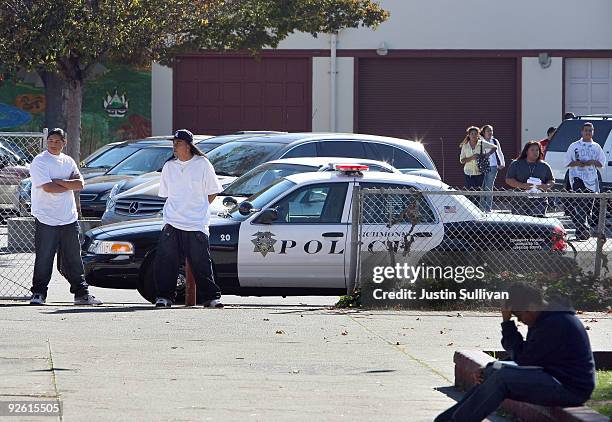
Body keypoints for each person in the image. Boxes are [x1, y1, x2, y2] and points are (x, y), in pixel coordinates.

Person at [435, 283, 595, 422]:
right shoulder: (546, 318)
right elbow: (527, 355)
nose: (519, 320)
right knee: (492, 370)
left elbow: (523, 358)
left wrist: (507, 323)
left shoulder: (556, 323)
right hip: (552, 377)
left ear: (531, 306)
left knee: (501, 378)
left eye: (518, 315)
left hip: (570, 388)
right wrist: (493, 366)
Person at [29, 128, 102, 305]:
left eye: (57, 141)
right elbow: (47, 187)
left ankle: (81, 294)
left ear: (64, 142)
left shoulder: (68, 161)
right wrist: (67, 184)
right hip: (46, 217)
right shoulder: (40, 161)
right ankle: (39, 293)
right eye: (50, 141)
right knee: (44, 257)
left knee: (74, 258)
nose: (53, 144)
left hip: (68, 218)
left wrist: (59, 181)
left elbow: (80, 184)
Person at [154, 129, 224, 308]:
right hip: (172, 220)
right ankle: (164, 297)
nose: (174, 147)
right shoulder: (169, 166)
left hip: (196, 222)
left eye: (177, 143)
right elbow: (166, 194)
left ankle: (211, 298)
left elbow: (213, 191)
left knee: (201, 262)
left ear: (188, 146)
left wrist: (199, 207)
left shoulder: (203, 164)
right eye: (173, 143)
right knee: (166, 261)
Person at [564, 122, 605, 240]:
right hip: (577, 177)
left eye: (590, 130)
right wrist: (577, 163)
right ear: (582, 132)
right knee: (580, 202)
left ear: (593, 132)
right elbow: (567, 162)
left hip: (591, 179)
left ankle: (582, 228)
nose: (588, 132)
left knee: (588, 206)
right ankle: (582, 230)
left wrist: (592, 161)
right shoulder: (574, 145)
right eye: (586, 130)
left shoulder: (596, 147)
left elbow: (601, 163)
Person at [505, 141, 555, 217]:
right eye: (532, 150)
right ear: (526, 152)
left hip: (539, 200)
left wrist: (545, 186)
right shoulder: (516, 164)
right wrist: (522, 185)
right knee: (520, 225)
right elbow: (508, 180)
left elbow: (551, 180)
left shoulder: (544, 165)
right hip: (520, 200)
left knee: (538, 223)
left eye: (537, 150)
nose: (535, 152)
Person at [459, 126, 497, 205]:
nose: (473, 135)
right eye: (472, 133)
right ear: (469, 135)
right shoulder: (465, 146)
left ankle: (477, 210)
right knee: (470, 193)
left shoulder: (482, 143)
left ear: (478, 135)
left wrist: (487, 154)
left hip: (479, 172)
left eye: (475, 134)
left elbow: (494, 147)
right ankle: (470, 210)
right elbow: (462, 160)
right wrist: (471, 158)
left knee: (478, 193)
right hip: (468, 173)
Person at [479, 125, 505, 212]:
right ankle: (481, 208)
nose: (490, 133)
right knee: (482, 187)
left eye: (491, 131)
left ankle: (488, 208)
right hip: (483, 167)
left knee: (489, 187)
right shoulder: (480, 141)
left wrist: (502, 163)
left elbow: (499, 152)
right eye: (488, 131)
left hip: (493, 166)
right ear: (484, 132)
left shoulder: (494, 141)